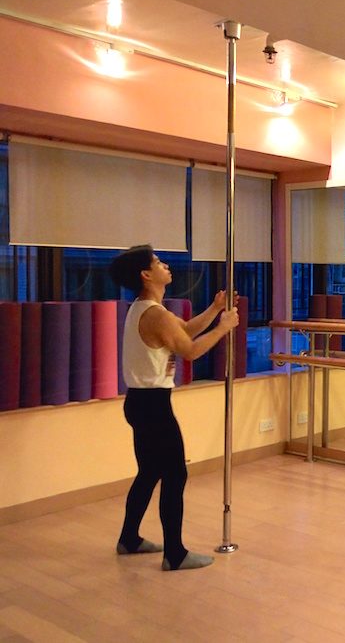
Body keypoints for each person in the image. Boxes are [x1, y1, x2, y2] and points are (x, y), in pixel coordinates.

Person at [109, 244, 239, 571]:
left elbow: (184, 331)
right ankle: (175, 554)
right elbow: (190, 350)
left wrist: (215, 309)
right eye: (158, 262)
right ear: (146, 274)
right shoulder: (155, 314)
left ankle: (129, 538)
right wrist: (223, 327)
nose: (165, 265)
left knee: (150, 472)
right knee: (175, 474)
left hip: (140, 402)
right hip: (153, 405)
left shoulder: (147, 309)